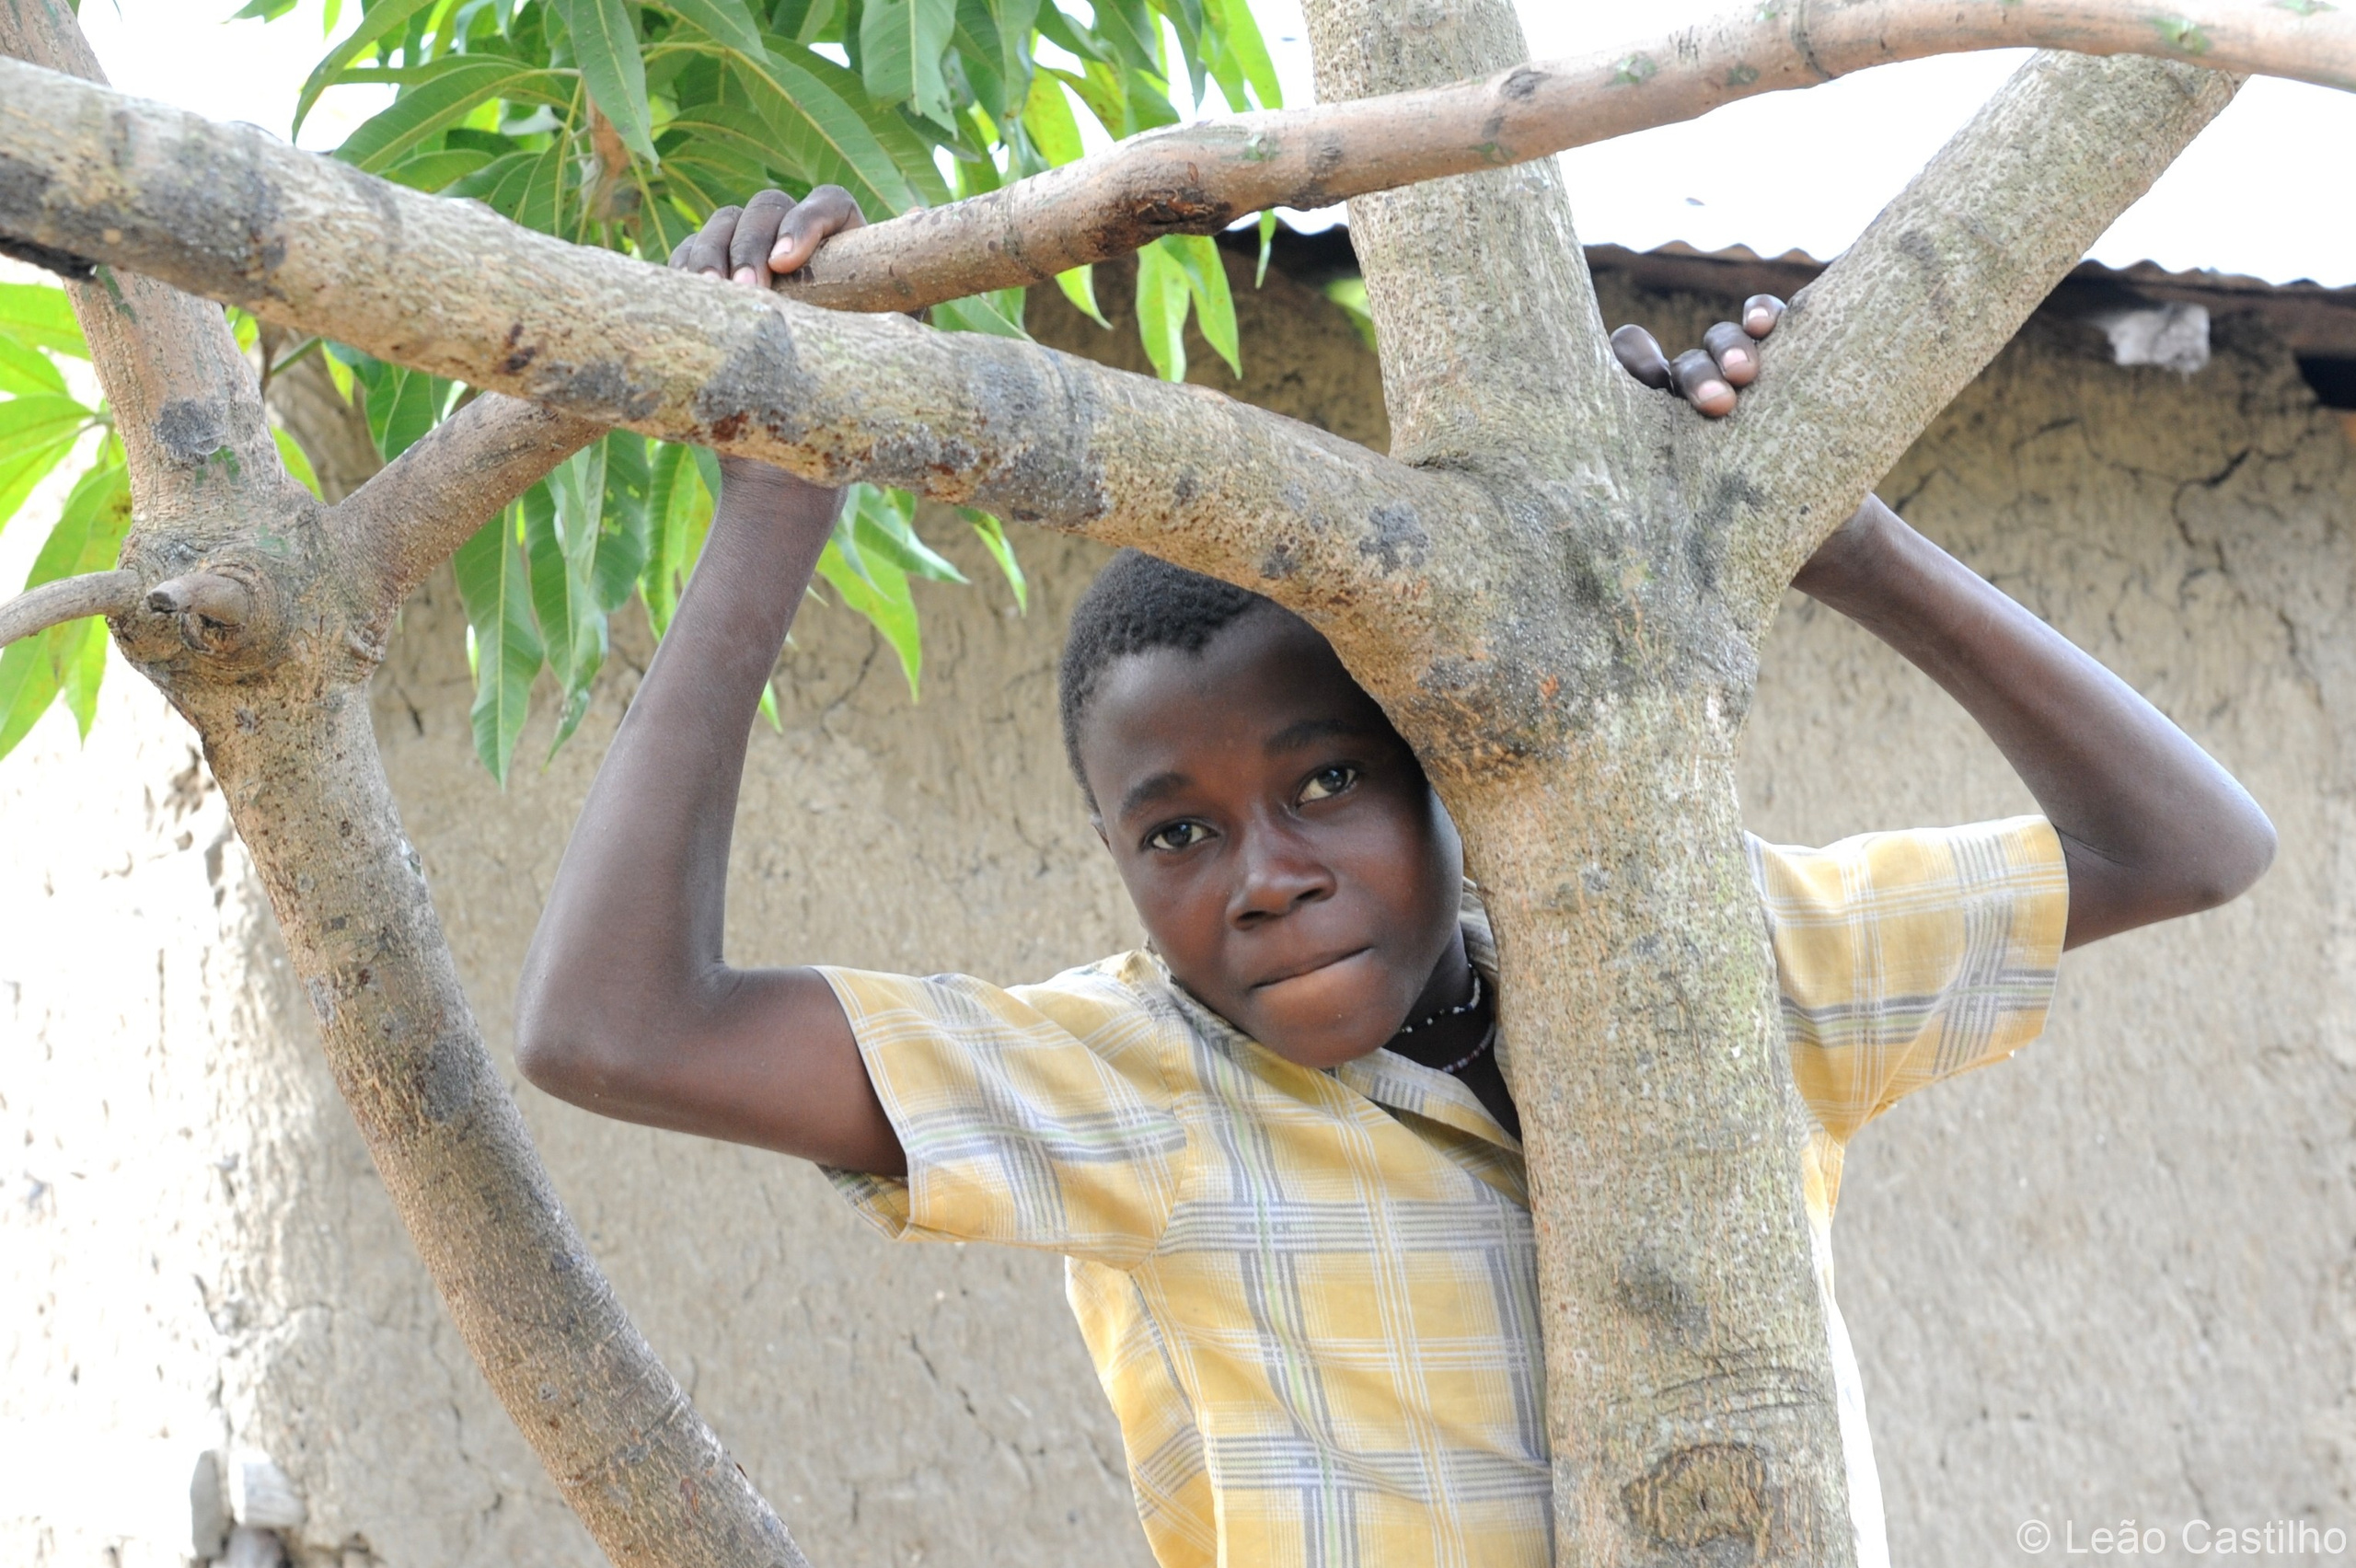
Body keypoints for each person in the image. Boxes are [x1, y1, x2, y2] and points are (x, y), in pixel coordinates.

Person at [514, 189, 2277, 1567]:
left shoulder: (1704, 947)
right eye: (1177, 835)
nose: (1263, 880)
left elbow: (2185, 846)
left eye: (1331, 783)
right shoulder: (1140, 1083)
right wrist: (773, 513)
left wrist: (1846, 537)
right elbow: (615, 1030)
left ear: (1458, 776)